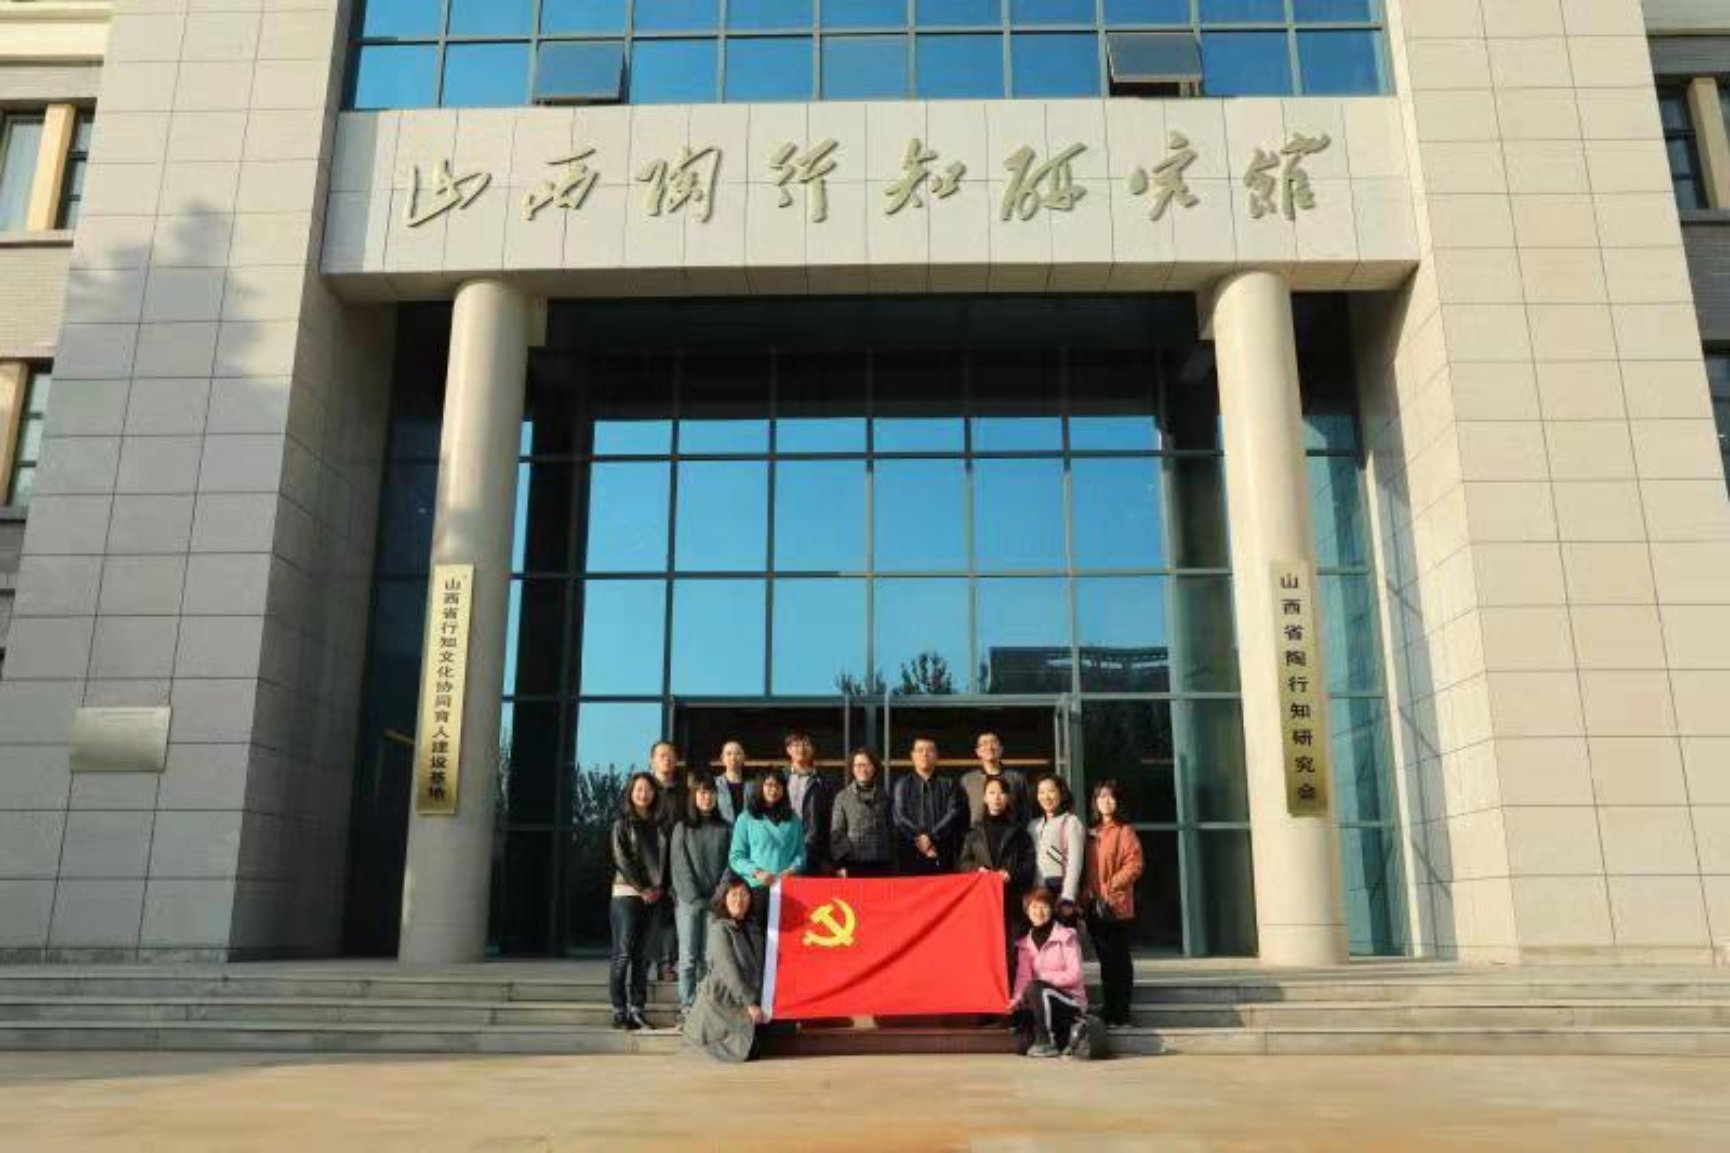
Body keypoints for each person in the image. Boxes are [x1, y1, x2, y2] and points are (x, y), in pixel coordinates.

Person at [683, 877, 769, 1063]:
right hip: (722, 1000)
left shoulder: (753, 929)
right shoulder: (719, 928)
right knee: (741, 1050)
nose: (739, 900)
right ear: (724, 899)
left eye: (744, 894)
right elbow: (729, 971)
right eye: (734, 895)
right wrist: (750, 1003)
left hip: (746, 997)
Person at [1081, 779, 1144, 1030]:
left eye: (1110, 797)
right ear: (1095, 802)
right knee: (1106, 962)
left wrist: (1111, 887)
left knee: (1119, 961)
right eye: (1101, 797)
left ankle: (1123, 1013)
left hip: (1116, 906)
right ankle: (1110, 1009)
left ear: (1117, 801)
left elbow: (1135, 865)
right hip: (1094, 906)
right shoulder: (1091, 833)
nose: (1106, 801)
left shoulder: (1124, 831)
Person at [958, 774, 1037, 974]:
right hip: (982, 901)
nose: (997, 797)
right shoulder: (973, 833)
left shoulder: (1020, 833)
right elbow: (963, 862)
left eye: (1001, 793)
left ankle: (1012, 992)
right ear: (984, 797)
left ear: (1008, 797)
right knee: (984, 952)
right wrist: (977, 870)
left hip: (1012, 900)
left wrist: (1011, 874)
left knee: (1011, 953)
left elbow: (1029, 864)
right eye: (992, 793)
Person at [608, 771, 666, 1031]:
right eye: (639, 789)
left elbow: (664, 862)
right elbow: (621, 859)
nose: (644, 794)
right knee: (623, 954)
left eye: (648, 789)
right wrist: (642, 888)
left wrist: (658, 889)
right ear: (631, 793)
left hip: (653, 897)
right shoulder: (622, 823)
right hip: (626, 894)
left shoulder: (659, 825)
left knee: (643, 957)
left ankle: (637, 1010)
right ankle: (619, 1011)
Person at [670, 773, 732, 1016]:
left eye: (711, 793)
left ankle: (705, 1007)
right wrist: (694, 897)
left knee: (709, 957)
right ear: (694, 796)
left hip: (714, 902)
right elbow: (679, 864)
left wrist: (718, 895)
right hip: (688, 902)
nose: (707, 797)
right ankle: (687, 1006)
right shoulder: (682, 828)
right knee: (688, 957)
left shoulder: (725, 829)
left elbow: (730, 864)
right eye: (702, 792)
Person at [1010, 887, 1088, 1058]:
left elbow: (1075, 975)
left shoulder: (1066, 936)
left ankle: (1045, 1043)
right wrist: (1016, 1000)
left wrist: (1042, 980)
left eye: (1043, 906)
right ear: (1027, 911)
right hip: (1040, 1001)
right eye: (1034, 907)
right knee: (1021, 1045)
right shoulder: (1024, 945)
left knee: (1035, 987)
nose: (1039, 912)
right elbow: (1023, 978)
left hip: (1069, 1001)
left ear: (1051, 909)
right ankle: (1061, 1038)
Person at [891, 736, 966, 874]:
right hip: (910, 850)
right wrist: (920, 837)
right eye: (920, 750)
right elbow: (899, 817)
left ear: (936, 756)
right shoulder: (902, 784)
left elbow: (953, 813)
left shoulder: (948, 783)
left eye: (930, 750)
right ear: (912, 756)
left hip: (942, 850)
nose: (925, 754)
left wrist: (931, 837)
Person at [728, 767, 805, 894]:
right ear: (760, 787)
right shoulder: (746, 818)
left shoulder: (793, 819)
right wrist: (757, 872)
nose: (773, 790)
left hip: (786, 888)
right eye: (769, 785)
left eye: (778, 786)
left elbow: (801, 853)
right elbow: (736, 857)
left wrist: (792, 870)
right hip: (755, 888)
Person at [647, 740, 686, 981]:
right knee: (647, 917)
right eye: (662, 755)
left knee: (671, 917)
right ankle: (643, 965)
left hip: (676, 863)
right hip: (650, 863)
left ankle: (666, 965)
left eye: (671, 755)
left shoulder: (683, 793)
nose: (667, 759)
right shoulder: (643, 789)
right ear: (652, 760)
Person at [830, 747, 894, 878]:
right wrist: (840, 864)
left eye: (867, 765)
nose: (863, 769)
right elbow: (837, 833)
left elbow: (892, 830)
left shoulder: (885, 796)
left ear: (874, 768)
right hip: (853, 862)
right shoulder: (842, 797)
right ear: (852, 769)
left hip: (881, 862)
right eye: (858, 765)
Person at [1029, 774, 1086, 919]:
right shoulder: (1033, 825)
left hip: (1059, 891)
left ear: (1061, 793)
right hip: (1038, 893)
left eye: (1051, 791)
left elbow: (1075, 862)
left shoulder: (1071, 822)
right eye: (1041, 792)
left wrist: (1068, 896)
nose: (1046, 796)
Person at [783, 730, 834, 877]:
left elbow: (830, 818)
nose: (801, 749)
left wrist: (827, 855)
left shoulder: (824, 781)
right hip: (782, 845)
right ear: (788, 750)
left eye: (806, 744)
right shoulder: (779, 778)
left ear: (813, 749)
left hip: (813, 847)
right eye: (796, 745)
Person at [960, 732, 1029, 828]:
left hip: (1010, 833)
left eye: (993, 742)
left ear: (1001, 749)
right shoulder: (967, 780)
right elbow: (961, 814)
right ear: (977, 752)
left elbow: (1025, 812)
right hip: (976, 834)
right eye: (984, 743)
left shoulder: (1017, 778)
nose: (989, 747)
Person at [713, 740, 754, 824]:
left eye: (738, 753)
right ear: (722, 758)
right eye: (729, 754)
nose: (733, 758)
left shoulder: (753, 786)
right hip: (722, 830)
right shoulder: (714, 784)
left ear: (744, 757)